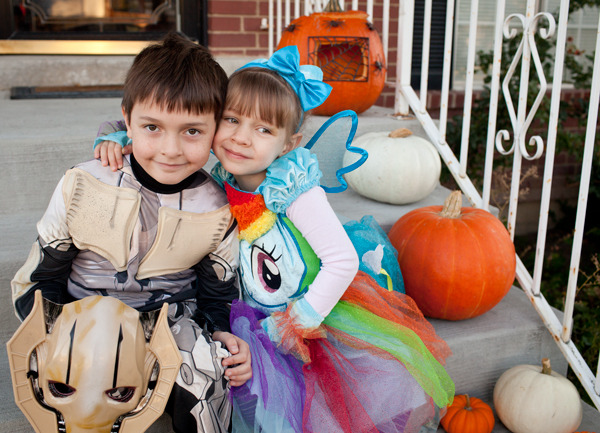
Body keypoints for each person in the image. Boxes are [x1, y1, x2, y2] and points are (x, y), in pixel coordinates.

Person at [97, 44, 455, 433]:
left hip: (307, 316)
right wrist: (118, 138)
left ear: (288, 144)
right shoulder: (222, 177)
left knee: (304, 410)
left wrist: (293, 325)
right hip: (254, 312)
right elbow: (161, 125)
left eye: (263, 129)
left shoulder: (293, 188)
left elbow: (341, 261)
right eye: (232, 120)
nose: (241, 138)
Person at [11, 32, 251, 433]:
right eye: (152, 127)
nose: (170, 149)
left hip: (168, 321)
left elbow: (217, 293)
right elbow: (44, 274)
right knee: (78, 378)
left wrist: (222, 333)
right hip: (84, 316)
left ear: (215, 130)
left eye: (192, 131)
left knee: (209, 374)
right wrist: (54, 330)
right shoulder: (85, 184)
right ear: (127, 120)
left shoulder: (217, 207)